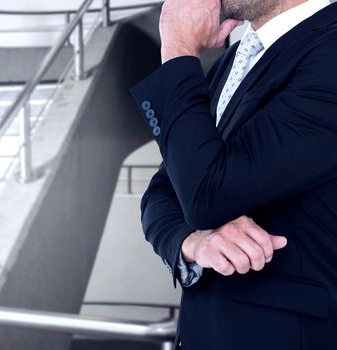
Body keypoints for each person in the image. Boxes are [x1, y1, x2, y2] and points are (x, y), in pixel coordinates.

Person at [130, 0, 337, 348]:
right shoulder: (236, 58)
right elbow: (163, 188)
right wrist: (191, 242)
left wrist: (178, 48)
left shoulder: (330, 54)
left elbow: (207, 196)